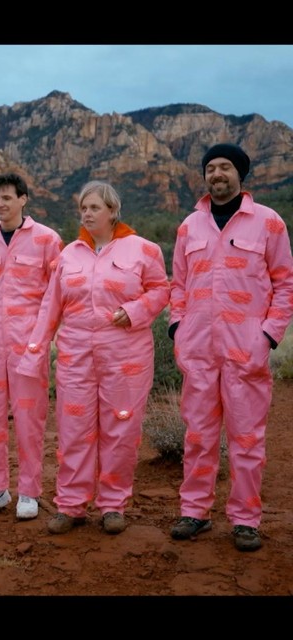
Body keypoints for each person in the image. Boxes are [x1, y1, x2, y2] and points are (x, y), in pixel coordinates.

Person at [17, 181, 170, 535]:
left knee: (120, 429)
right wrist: (35, 353)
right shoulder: (68, 255)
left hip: (126, 356)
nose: (86, 214)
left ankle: (113, 505)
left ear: (113, 211)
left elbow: (162, 290)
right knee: (74, 430)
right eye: (83, 208)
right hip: (76, 357)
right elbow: (49, 307)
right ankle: (71, 505)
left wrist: (134, 310)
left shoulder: (142, 250)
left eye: (94, 208)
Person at [168, 143, 293, 552]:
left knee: (246, 439)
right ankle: (195, 513)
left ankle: (245, 520)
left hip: (246, 351)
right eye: (210, 168)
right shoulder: (189, 226)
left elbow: (285, 284)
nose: (216, 174)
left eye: (225, 167)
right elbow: (178, 286)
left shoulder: (268, 223)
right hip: (199, 350)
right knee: (199, 436)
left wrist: (268, 336)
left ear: (241, 174)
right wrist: (177, 329)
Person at [0, 173, 63, 521]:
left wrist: (40, 340)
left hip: (30, 346)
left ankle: (29, 492)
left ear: (23, 199)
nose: (0, 204)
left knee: (29, 420)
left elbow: (55, 294)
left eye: (7, 198)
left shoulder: (47, 240)